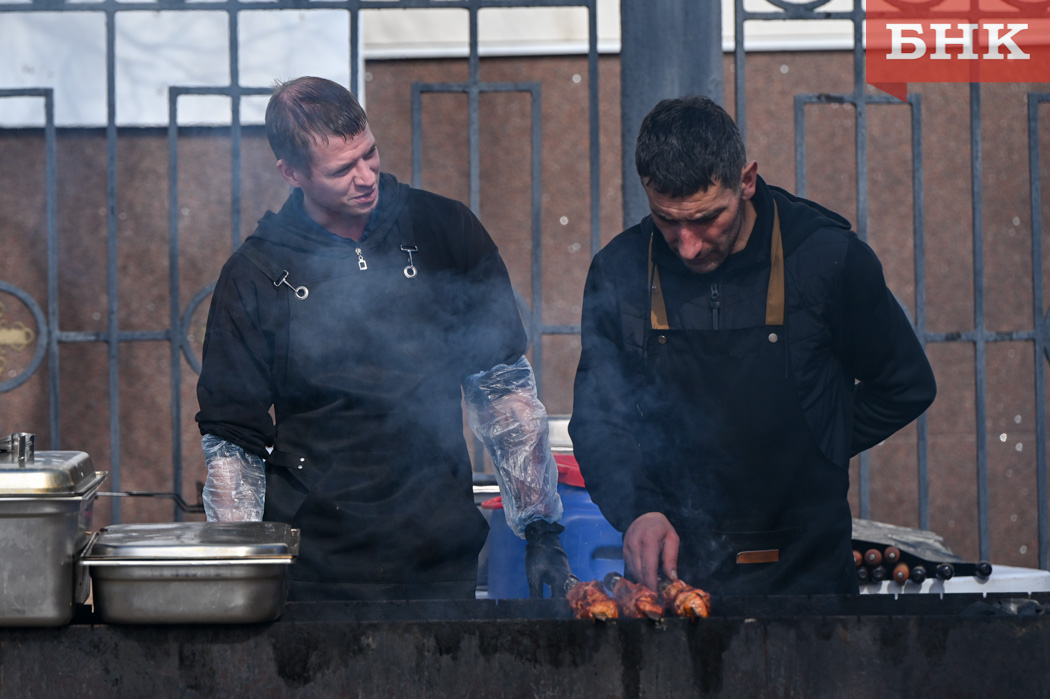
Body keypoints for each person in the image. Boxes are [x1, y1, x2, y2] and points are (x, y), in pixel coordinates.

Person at [195, 76, 572, 601]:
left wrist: (540, 528)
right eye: (341, 169)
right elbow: (234, 443)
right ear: (292, 173)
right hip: (317, 557)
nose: (366, 176)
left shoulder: (444, 230)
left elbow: (502, 388)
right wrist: (239, 568)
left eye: (369, 153)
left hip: (438, 541)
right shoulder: (255, 274)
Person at [569, 96, 936, 597]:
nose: (687, 244)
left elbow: (906, 385)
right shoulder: (620, 271)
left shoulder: (826, 259)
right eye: (666, 219)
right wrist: (638, 509)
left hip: (809, 572)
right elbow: (598, 420)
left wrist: (819, 440)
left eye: (706, 218)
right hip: (676, 575)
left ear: (746, 180)